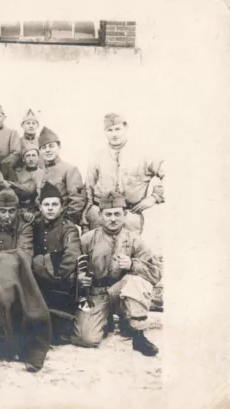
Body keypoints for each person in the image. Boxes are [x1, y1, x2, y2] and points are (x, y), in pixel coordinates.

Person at [72, 191, 161, 356]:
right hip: (97, 294)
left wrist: (132, 264)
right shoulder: (87, 239)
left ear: (125, 215)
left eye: (117, 214)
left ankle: (138, 335)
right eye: (108, 214)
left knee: (135, 281)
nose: (113, 219)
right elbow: (74, 267)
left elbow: (155, 273)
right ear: (100, 215)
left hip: (122, 293)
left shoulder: (135, 240)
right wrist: (79, 277)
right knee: (86, 339)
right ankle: (105, 322)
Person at [82, 113, 165, 234]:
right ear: (105, 132)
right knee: (98, 251)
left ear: (126, 128)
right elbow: (88, 189)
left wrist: (155, 197)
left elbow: (170, 172)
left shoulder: (143, 155)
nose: (114, 134)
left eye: (117, 129)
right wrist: (85, 220)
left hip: (130, 216)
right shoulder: (97, 157)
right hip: (99, 216)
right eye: (110, 130)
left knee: (128, 251)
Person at [31, 182, 82, 323]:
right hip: (39, 281)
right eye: (46, 205)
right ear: (40, 207)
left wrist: (58, 277)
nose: (50, 209)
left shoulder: (68, 228)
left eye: (55, 205)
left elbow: (72, 256)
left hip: (61, 283)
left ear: (61, 208)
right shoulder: (36, 225)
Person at [34, 127, 86, 225]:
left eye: (51, 146)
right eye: (43, 148)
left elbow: (77, 200)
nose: (47, 150)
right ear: (40, 151)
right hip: (42, 224)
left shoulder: (69, 169)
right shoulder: (38, 173)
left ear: (59, 147)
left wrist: (67, 222)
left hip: (62, 223)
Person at [0, 188, 33, 258]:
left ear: (17, 209)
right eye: (3, 211)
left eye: (11, 211)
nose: (7, 216)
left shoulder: (24, 227)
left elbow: (23, 255)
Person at [3, 144, 40, 222]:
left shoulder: (44, 173)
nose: (31, 159)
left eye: (34, 155)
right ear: (23, 159)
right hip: (19, 212)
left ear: (38, 157)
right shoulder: (16, 173)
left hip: (38, 213)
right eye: (28, 156)